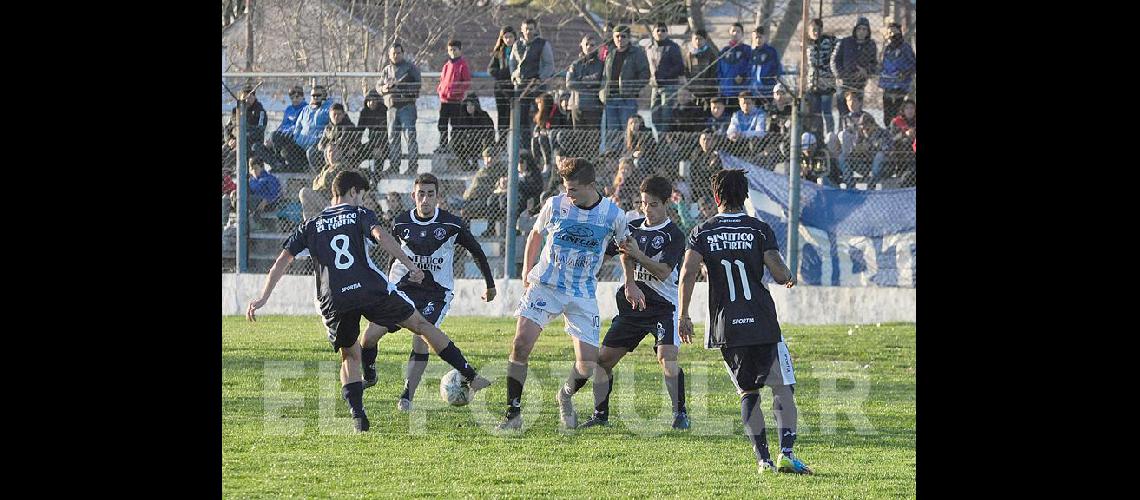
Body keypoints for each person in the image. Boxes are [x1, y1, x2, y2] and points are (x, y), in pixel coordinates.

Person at [246, 171, 492, 433]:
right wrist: (410, 266)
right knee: (420, 325)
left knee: (350, 355)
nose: (362, 201)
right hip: (370, 289)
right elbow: (382, 238)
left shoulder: (310, 225)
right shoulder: (359, 214)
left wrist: (262, 298)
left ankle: (358, 417)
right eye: (361, 195)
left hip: (334, 297)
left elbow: (282, 261)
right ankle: (471, 375)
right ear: (352, 192)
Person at [677, 169, 814, 475]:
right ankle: (787, 453)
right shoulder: (759, 229)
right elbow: (780, 274)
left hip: (728, 326)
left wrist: (684, 315)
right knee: (782, 388)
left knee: (748, 392)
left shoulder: (702, 231)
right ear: (746, 196)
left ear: (716, 197)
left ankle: (763, 460)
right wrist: (789, 275)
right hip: (763, 322)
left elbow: (687, 273)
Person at [496, 157, 639, 431]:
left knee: (586, 365)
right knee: (520, 344)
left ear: (591, 186)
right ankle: (513, 414)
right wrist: (528, 271)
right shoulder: (555, 204)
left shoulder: (613, 215)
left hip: (582, 291)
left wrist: (630, 282)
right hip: (547, 285)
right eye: (565, 187)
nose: (567, 194)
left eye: (573, 189)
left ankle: (564, 395)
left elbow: (625, 248)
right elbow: (535, 235)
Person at [360, 173, 497, 411]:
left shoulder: (451, 224)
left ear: (437, 197)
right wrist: (385, 285)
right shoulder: (401, 222)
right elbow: (394, 255)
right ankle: (370, 376)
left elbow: (476, 251)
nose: (425, 199)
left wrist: (490, 284)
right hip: (401, 290)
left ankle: (407, 396)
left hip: (435, 293)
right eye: (420, 194)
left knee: (422, 337)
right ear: (414, 196)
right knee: (369, 337)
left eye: (430, 194)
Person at [579, 176, 690, 430]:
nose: (646, 210)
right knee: (603, 361)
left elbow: (663, 272)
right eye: (643, 204)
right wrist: (628, 280)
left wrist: (638, 255)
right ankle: (600, 415)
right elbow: (620, 252)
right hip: (633, 307)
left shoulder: (674, 235)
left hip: (663, 307)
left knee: (667, 359)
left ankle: (680, 414)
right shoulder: (633, 226)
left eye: (652, 205)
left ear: (665, 204)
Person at [510, 19, 555, 148]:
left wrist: (540, 79)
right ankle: (524, 149)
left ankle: (539, 147)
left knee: (539, 118)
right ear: (522, 29)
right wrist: (514, 77)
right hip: (521, 87)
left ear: (535, 30)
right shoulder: (517, 45)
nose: (528, 31)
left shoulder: (543, 44)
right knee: (521, 119)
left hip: (538, 87)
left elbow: (549, 65)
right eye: (526, 28)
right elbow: (512, 64)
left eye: (531, 28)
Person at [378, 43, 422, 173]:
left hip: (406, 106)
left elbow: (417, 85)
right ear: (389, 55)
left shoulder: (411, 68)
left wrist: (402, 87)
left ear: (402, 54)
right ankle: (394, 166)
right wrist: (384, 88)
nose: (396, 55)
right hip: (391, 108)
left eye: (398, 53)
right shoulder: (386, 70)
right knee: (392, 137)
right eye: (393, 53)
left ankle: (413, 167)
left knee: (410, 136)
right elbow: (378, 86)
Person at [601, 25, 650, 139]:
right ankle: (614, 155)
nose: (620, 39)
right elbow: (604, 76)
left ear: (628, 38)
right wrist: (602, 93)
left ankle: (627, 154)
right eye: (617, 36)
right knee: (612, 132)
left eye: (623, 36)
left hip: (627, 99)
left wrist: (633, 89)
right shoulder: (610, 53)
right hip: (610, 98)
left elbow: (645, 74)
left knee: (628, 130)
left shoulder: (637, 53)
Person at [831, 17, 878, 131]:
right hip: (844, 84)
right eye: (859, 29)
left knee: (856, 117)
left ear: (868, 31)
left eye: (864, 29)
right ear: (855, 30)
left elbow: (875, 64)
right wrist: (840, 75)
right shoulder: (844, 42)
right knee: (843, 117)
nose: (862, 32)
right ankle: (840, 141)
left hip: (859, 86)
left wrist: (866, 70)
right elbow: (834, 61)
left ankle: (855, 143)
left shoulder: (871, 45)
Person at [646, 22, 685, 132]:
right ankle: (660, 140)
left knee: (666, 116)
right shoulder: (649, 48)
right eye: (658, 30)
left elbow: (680, 67)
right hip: (655, 86)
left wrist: (665, 76)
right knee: (654, 115)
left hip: (669, 86)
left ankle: (664, 143)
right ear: (653, 32)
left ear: (667, 33)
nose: (660, 33)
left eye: (663, 30)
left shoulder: (673, 47)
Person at [436, 39, 472, 153]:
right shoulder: (446, 65)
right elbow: (442, 80)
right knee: (442, 123)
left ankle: (454, 145)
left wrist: (456, 92)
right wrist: (440, 90)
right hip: (444, 100)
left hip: (455, 100)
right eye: (450, 50)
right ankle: (443, 145)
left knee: (455, 124)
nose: (452, 52)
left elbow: (466, 82)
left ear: (460, 50)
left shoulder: (462, 65)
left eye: (455, 50)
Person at [804, 18, 839, 138]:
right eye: (813, 30)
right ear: (808, 31)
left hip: (826, 82)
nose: (815, 32)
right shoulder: (808, 44)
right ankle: (817, 136)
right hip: (812, 83)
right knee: (815, 113)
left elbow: (839, 44)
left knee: (827, 112)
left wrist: (832, 62)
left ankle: (830, 136)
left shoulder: (828, 41)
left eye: (818, 30)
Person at [877, 22, 916, 125]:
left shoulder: (905, 47)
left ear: (900, 31)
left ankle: (898, 133)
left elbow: (913, 64)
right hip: (888, 84)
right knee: (887, 115)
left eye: (895, 30)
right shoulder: (887, 48)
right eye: (890, 31)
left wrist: (905, 73)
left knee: (897, 113)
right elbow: (882, 64)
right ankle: (889, 133)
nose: (892, 33)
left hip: (900, 85)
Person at [566, 34, 604, 131]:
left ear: (596, 47)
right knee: (578, 139)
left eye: (592, 45)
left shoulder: (600, 64)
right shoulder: (575, 64)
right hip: (576, 106)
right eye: (586, 44)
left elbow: (596, 80)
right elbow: (569, 84)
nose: (589, 47)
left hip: (594, 107)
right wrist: (588, 84)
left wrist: (579, 79)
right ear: (581, 46)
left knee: (593, 139)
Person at [488, 26, 517, 137]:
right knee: (502, 115)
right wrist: (502, 73)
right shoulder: (499, 52)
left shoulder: (519, 49)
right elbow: (491, 69)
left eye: (510, 37)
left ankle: (513, 140)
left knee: (512, 114)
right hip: (501, 87)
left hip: (513, 87)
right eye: (505, 37)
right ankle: (502, 139)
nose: (508, 40)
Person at [717, 23, 752, 116]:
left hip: (741, 93)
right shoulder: (724, 51)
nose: (735, 33)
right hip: (726, 92)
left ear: (742, 34)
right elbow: (718, 69)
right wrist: (722, 82)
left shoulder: (747, 50)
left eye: (738, 31)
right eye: (733, 31)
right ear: (729, 33)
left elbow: (751, 68)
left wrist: (744, 77)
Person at [358, 88, 390, 178]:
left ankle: (375, 179)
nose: (371, 103)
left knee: (378, 157)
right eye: (369, 100)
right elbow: (359, 130)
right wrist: (354, 146)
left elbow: (385, 133)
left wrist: (379, 147)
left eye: (374, 100)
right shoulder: (365, 112)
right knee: (356, 153)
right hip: (371, 143)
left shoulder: (384, 111)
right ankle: (359, 175)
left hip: (384, 145)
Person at [683, 29, 720, 107]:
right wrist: (689, 87)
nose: (697, 41)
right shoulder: (689, 55)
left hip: (708, 92)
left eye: (700, 39)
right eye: (695, 39)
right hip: (693, 92)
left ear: (705, 40)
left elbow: (714, 74)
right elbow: (686, 72)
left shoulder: (711, 54)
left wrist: (706, 87)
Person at [748, 27, 783, 106]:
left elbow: (777, 67)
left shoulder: (770, 51)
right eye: (755, 38)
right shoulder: (751, 53)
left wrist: (773, 78)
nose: (758, 40)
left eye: (760, 37)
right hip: (754, 90)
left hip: (767, 88)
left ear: (765, 37)